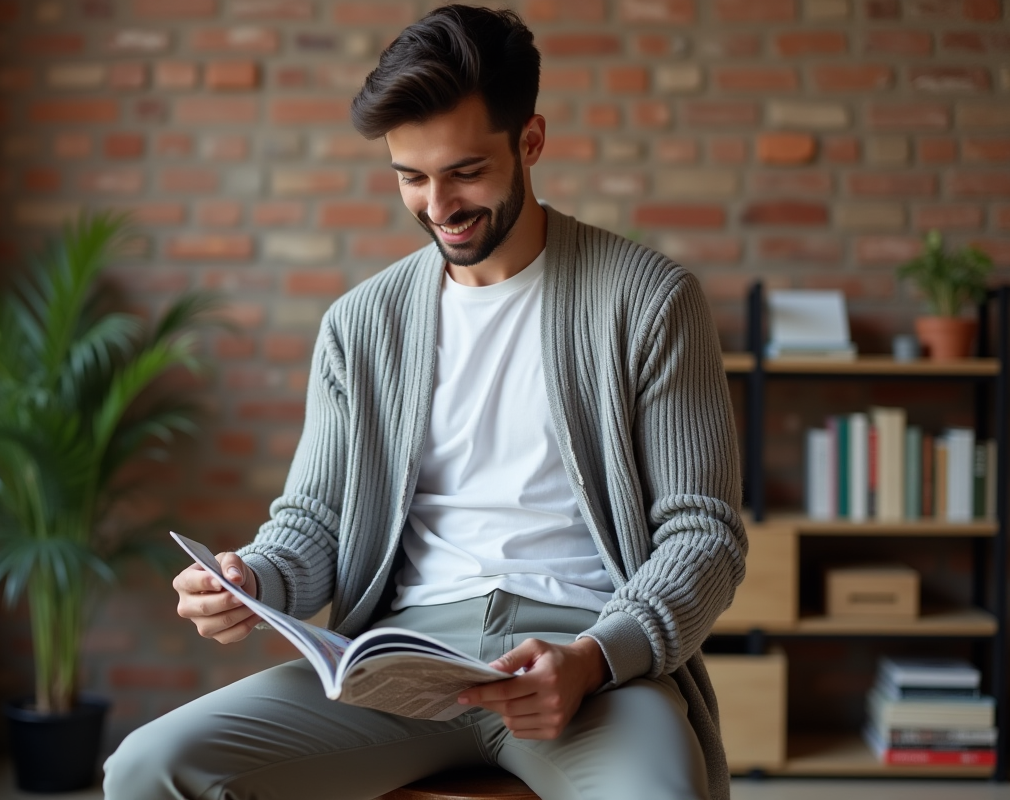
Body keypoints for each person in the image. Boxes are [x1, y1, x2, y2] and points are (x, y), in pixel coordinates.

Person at [103, 5, 745, 800]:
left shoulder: (647, 301)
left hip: (585, 658)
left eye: (465, 171)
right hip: (400, 662)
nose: (437, 205)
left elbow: (704, 535)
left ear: (530, 142)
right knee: (147, 768)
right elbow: (316, 524)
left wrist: (592, 658)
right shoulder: (361, 326)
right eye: (411, 176)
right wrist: (254, 583)